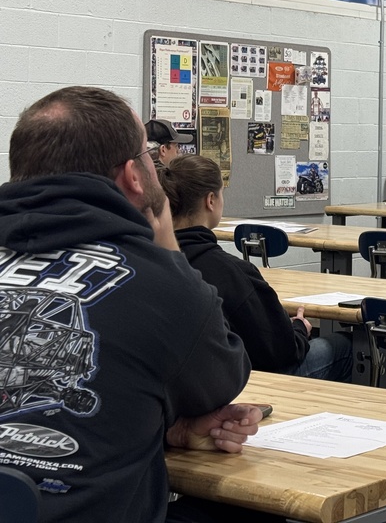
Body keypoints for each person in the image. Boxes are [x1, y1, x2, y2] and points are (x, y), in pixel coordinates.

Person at [0, 86, 266, 523]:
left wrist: (161, 427)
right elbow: (223, 380)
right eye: (148, 154)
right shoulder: (161, 285)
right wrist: (165, 242)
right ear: (134, 175)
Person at [160, 155, 352, 381]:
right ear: (210, 201)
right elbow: (283, 352)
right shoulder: (232, 273)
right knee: (345, 346)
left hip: (183, 383)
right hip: (241, 383)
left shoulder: (154, 261)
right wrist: (300, 328)